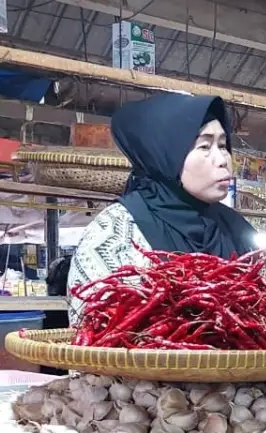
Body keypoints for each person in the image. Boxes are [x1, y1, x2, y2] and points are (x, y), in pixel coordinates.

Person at [67, 93, 256, 321]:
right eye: (205, 146)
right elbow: (94, 329)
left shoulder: (237, 229)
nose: (223, 159)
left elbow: (264, 318)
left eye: (223, 145)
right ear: (165, 155)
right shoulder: (115, 233)